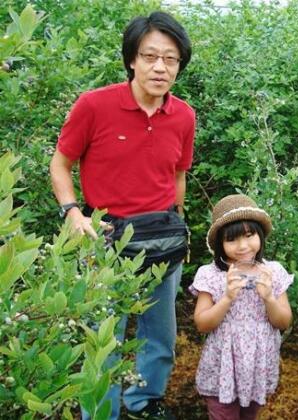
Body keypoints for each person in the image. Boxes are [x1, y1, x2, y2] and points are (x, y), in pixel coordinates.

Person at [49, 11, 195, 420]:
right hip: (105, 237)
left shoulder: (183, 115)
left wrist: (179, 225)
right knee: (102, 338)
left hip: (163, 236)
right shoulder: (94, 105)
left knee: (159, 334)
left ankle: (144, 401)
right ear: (132, 58)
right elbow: (60, 164)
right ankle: (100, 411)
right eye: (150, 56)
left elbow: (178, 173)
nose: (160, 67)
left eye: (171, 59)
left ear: (180, 65)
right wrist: (73, 213)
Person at [190, 194, 293, 420]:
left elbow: (283, 322)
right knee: (222, 413)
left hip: (258, 363)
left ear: (260, 234)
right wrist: (227, 298)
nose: (243, 246)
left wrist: (269, 298)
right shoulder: (211, 275)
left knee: (251, 414)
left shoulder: (272, 272)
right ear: (220, 244)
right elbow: (202, 324)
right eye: (232, 240)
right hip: (222, 365)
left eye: (249, 235)